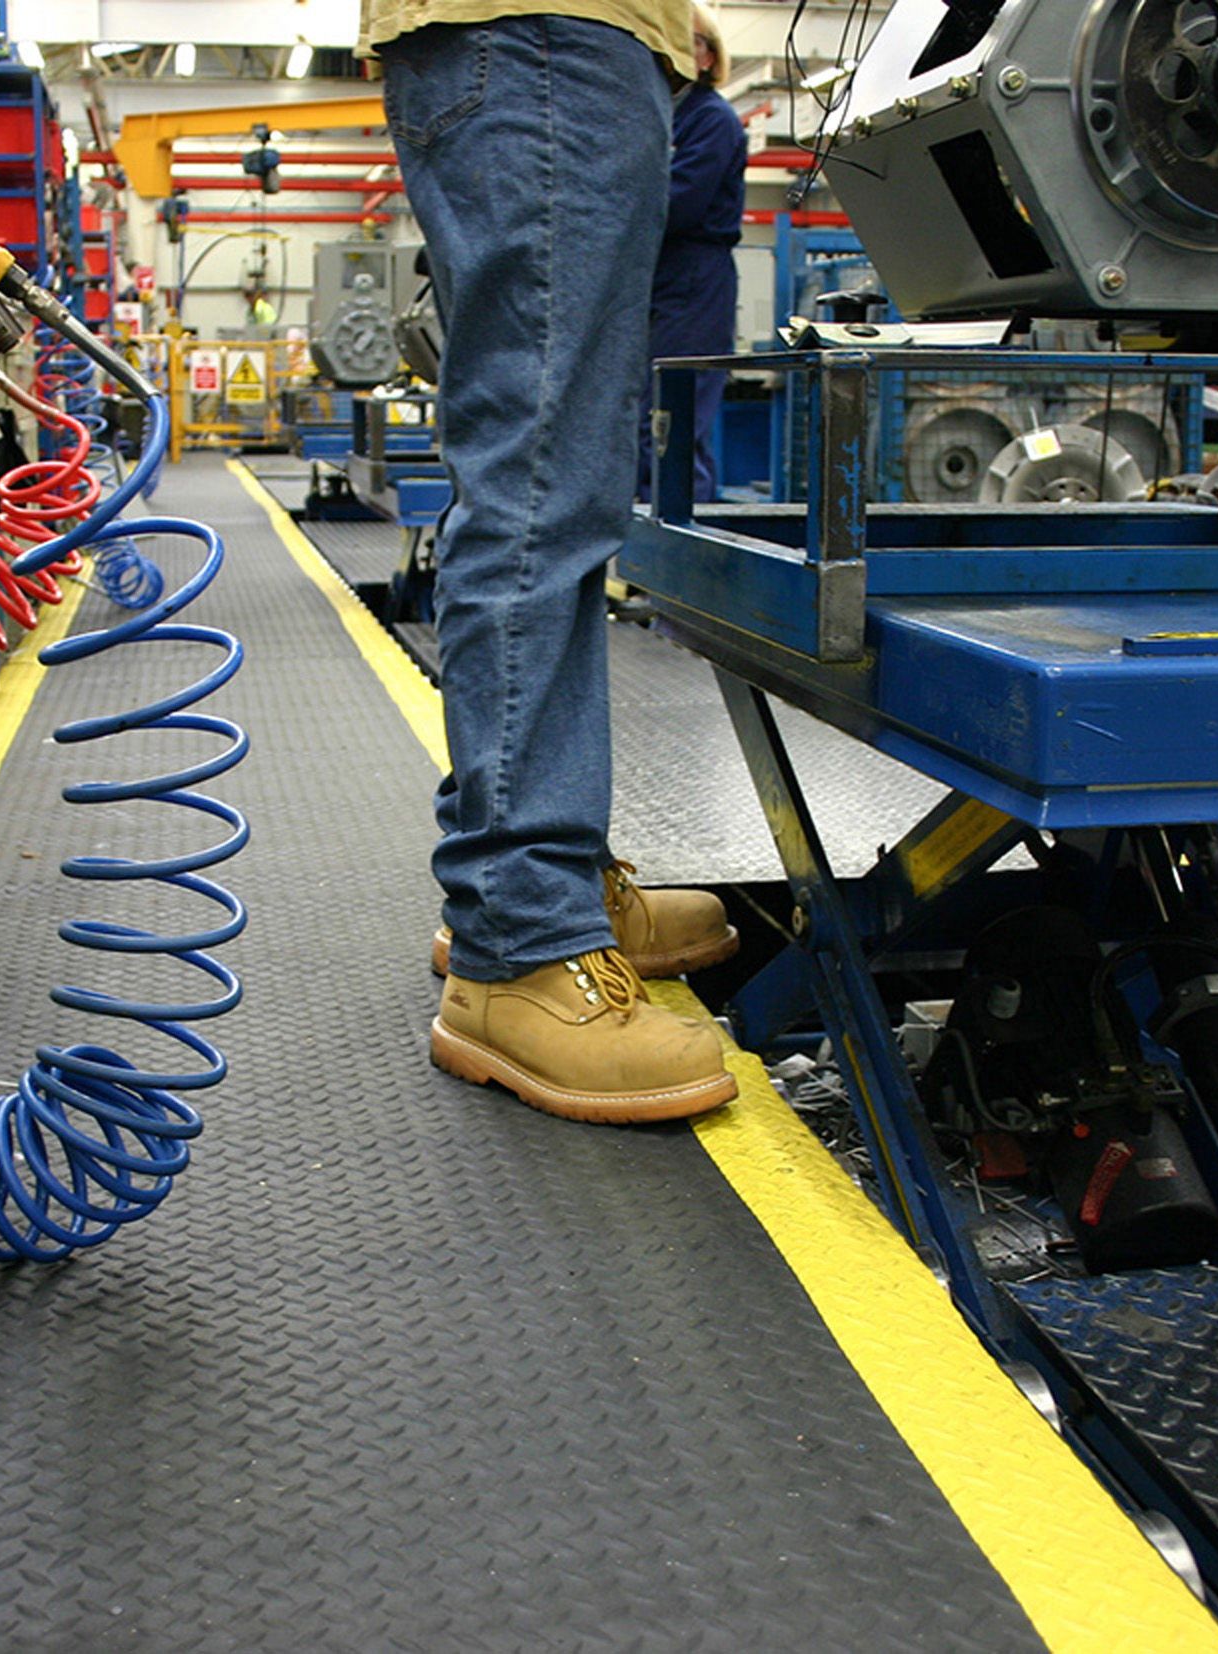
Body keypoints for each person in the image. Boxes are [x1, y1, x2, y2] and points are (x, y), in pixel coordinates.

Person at [361, 0, 742, 1125]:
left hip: (561, 49)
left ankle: (540, 879)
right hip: (540, 43)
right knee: (540, 491)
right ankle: (515, 946)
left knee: (557, 487)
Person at [642, 4, 746, 503]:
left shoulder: (712, 119)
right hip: (653, 272)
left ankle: (685, 552)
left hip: (693, 277)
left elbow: (678, 203)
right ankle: (640, 551)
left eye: (688, 43)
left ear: (707, 57)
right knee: (644, 420)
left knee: (674, 422)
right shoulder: (658, 115)